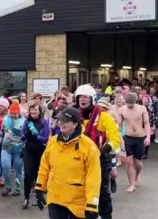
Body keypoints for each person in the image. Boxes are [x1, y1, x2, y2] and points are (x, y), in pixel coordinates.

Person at [35, 107, 101, 219]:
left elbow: (93, 178)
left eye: (66, 121)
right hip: (55, 198)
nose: (61, 124)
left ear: (75, 124)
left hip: (77, 203)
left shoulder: (88, 147)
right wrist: (39, 188)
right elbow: (44, 166)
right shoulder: (53, 142)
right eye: (60, 120)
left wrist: (92, 205)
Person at [74, 84, 120, 219]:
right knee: (81, 190)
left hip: (101, 159)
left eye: (85, 97)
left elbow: (114, 139)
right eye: (80, 97)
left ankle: (106, 216)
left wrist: (101, 151)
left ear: (92, 98)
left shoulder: (104, 117)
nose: (82, 99)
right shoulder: (75, 116)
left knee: (102, 191)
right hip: (80, 160)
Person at [116, 93, 151, 193]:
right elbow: (118, 124)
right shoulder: (122, 110)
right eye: (128, 103)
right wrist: (116, 134)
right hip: (128, 137)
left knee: (138, 163)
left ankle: (137, 175)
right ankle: (131, 184)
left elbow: (147, 123)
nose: (130, 105)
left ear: (135, 102)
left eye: (132, 103)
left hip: (140, 137)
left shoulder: (142, 109)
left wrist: (148, 137)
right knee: (129, 161)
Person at [21, 100, 50, 209]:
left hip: (40, 151)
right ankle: (26, 197)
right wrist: (26, 135)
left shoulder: (44, 122)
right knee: (28, 174)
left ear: (39, 111)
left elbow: (45, 138)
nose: (33, 111)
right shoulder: (27, 121)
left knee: (38, 175)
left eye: (35, 109)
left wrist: (35, 136)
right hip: (29, 151)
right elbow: (21, 136)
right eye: (31, 109)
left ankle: (37, 197)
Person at [0, 101, 25, 197]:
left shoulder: (24, 121)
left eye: (15, 113)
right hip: (6, 147)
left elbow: (26, 135)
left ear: (19, 112)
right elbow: (2, 132)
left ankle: (18, 188)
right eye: (11, 113)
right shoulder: (6, 119)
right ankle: (7, 187)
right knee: (5, 166)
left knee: (18, 169)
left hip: (18, 148)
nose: (13, 115)